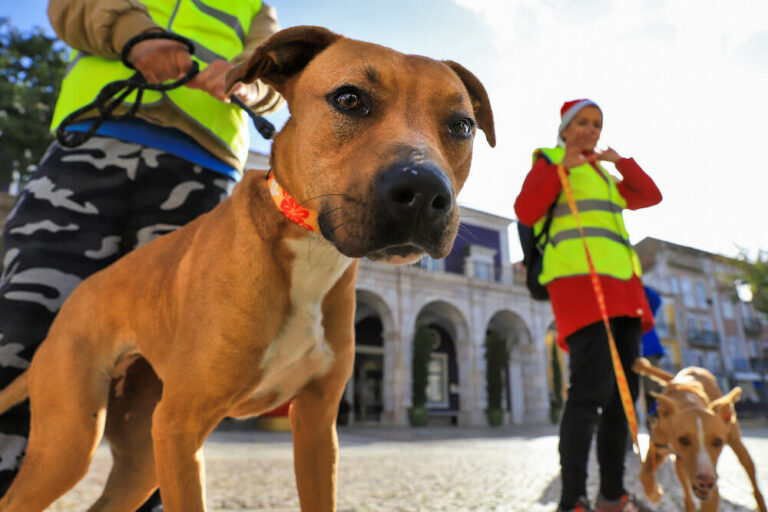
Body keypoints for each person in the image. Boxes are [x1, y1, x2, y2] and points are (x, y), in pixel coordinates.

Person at [0, 0, 284, 509]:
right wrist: (135, 37)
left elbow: (273, 76)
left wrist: (246, 79)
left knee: (170, 371)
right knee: (21, 328)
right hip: (92, 141)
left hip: (202, 175)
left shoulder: (255, 6)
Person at [514, 99, 662, 512]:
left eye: (597, 124)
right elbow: (526, 210)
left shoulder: (604, 176)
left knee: (622, 396)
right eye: (582, 122)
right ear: (564, 128)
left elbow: (650, 196)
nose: (591, 129)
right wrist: (566, 168)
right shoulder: (550, 161)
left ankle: (612, 495)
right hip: (581, 289)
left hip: (625, 294)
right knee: (588, 393)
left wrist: (621, 162)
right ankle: (571, 497)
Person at [640, 285, 665, 426]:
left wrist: (636, 284)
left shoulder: (646, 301)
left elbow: (655, 299)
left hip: (648, 350)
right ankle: (625, 439)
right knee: (625, 395)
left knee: (654, 395)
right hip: (642, 349)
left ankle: (658, 436)